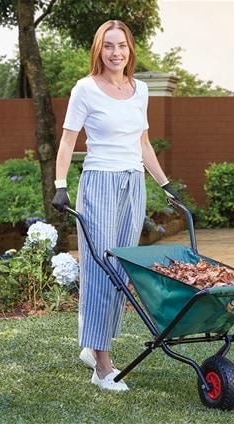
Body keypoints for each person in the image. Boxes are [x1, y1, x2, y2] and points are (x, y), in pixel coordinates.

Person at [51, 20, 181, 392]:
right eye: (108, 46)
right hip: (100, 184)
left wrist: (165, 184)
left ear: (130, 49)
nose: (115, 53)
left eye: (121, 45)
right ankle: (103, 366)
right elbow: (67, 142)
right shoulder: (85, 89)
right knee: (100, 269)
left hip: (133, 184)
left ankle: (94, 347)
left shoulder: (140, 90)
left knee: (122, 271)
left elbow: (143, 144)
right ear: (98, 50)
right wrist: (61, 186)